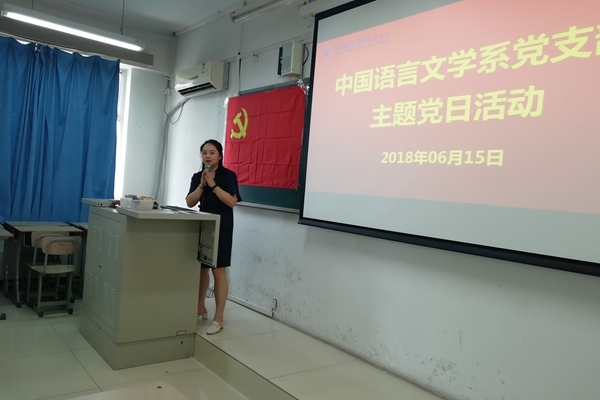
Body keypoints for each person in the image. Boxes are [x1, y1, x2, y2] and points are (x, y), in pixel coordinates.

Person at [186, 139, 241, 335]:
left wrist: (213, 184)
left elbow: (232, 202)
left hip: (222, 225)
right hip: (204, 223)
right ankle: (200, 307)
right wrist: (202, 185)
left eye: (212, 152)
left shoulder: (228, 176)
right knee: (202, 269)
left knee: (218, 271)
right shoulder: (197, 176)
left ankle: (219, 318)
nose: (207, 156)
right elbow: (190, 202)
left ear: (220, 155)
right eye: (204, 152)